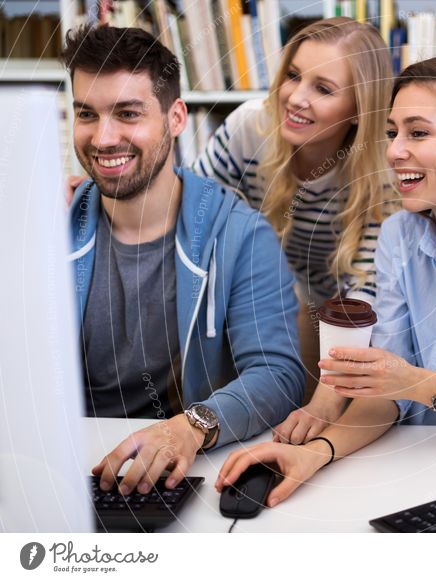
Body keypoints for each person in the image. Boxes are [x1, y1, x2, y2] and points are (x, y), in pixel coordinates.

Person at [216, 57, 436, 507]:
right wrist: (316, 455)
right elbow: (389, 397)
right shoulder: (399, 235)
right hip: (409, 467)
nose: (396, 151)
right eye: (392, 132)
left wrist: (416, 382)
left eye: (418, 133)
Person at [62, 25, 305, 496]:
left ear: (176, 118)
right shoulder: (47, 229)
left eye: (128, 114)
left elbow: (278, 375)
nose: (103, 137)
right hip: (64, 466)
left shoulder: (240, 234)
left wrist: (190, 427)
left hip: (187, 471)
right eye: (86, 114)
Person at [192, 17, 395, 444]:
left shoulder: (381, 173)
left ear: (359, 108)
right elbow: (193, 214)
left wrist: (324, 402)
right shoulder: (250, 129)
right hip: (248, 298)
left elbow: (363, 296)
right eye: (293, 76)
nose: (295, 98)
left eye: (323, 88)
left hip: (332, 322)